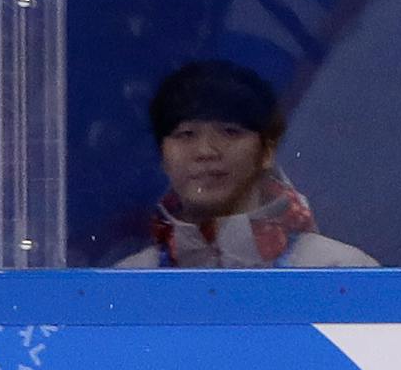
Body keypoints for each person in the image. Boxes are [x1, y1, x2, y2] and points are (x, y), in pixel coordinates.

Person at [114, 60, 376, 270]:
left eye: (229, 132)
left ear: (267, 151)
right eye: (186, 134)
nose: (206, 151)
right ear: (163, 156)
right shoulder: (125, 284)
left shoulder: (342, 272)